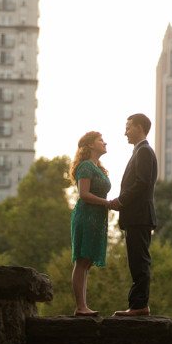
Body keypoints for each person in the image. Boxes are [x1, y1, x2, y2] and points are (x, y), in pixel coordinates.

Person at [109, 113, 157, 316]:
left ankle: (139, 305)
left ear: (139, 127)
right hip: (137, 217)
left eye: (128, 128)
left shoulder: (144, 151)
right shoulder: (140, 151)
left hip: (139, 216)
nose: (125, 133)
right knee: (136, 261)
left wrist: (120, 201)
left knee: (139, 262)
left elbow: (141, 183)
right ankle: (138, 304)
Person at [69, 131, 114, 316]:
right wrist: (108, 203)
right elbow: (84, 194)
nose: (105, 142)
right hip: (86, 217)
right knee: (82, 261)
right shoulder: (86, 166)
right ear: (90, 145)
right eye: (100, 140)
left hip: (96, 219)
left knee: (87, 262)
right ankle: (80, 307)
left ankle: (83, 306)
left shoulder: (97, 167)